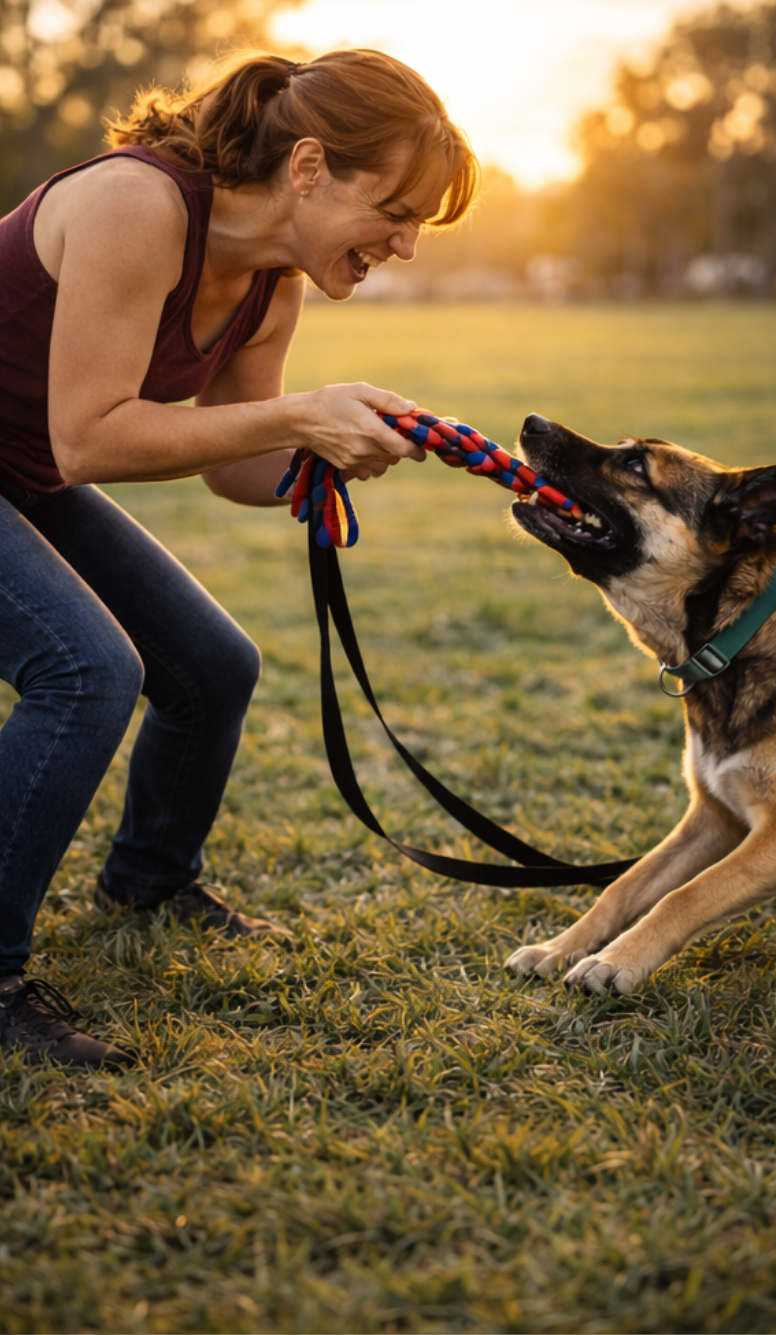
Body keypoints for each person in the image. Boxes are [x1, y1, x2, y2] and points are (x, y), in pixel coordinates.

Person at [0, 50, 479, 1068]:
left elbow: (236, 464)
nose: (403, 244)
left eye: (419, 225)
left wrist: (323, 454)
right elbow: (91, 438)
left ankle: (150, 880)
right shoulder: (137, 203)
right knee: (87, 673)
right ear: (308, 167)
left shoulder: (271, 284)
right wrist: (301, 413)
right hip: (44, 458)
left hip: (22, 468)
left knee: (213, 666)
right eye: (392, 209)